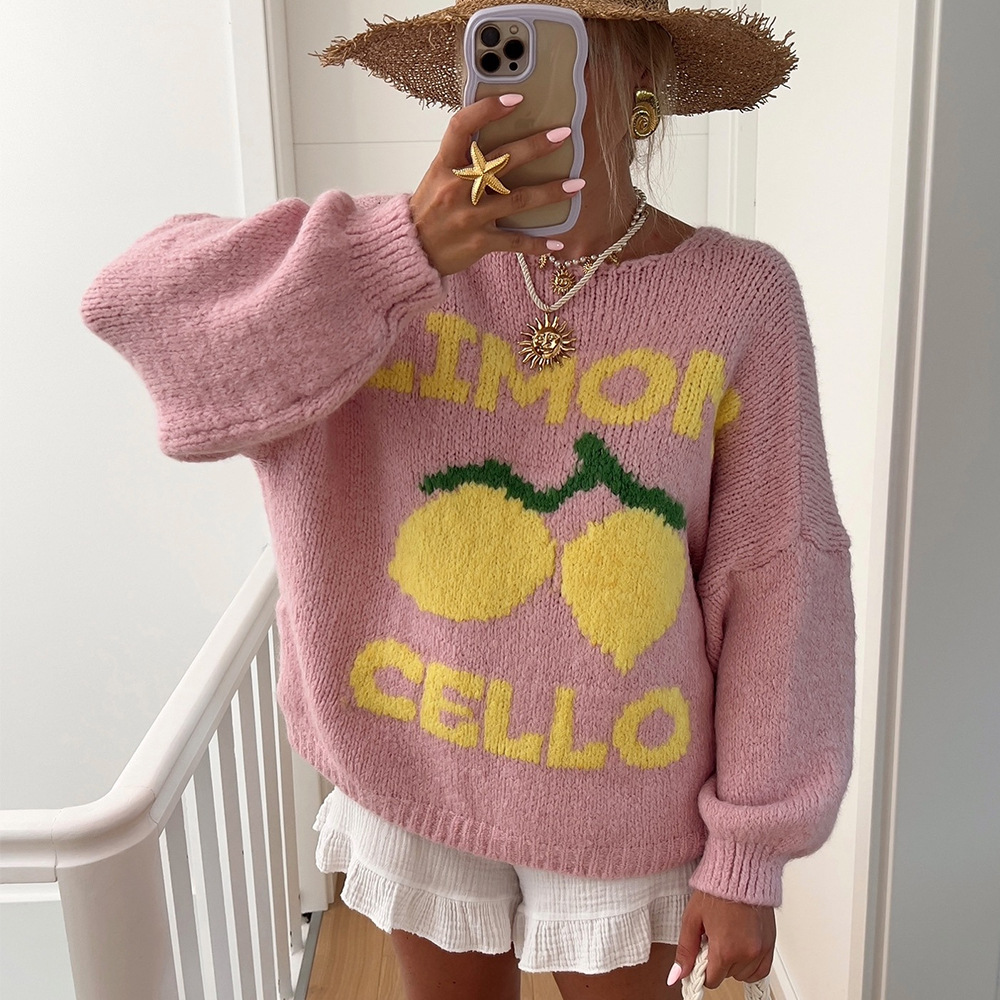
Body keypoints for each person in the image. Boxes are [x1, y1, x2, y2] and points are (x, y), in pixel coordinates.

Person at [79, 2, 856, 997]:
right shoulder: (381, 263)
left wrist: (749, 847)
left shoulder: (739, 296)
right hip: (414, 768)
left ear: (642, 74)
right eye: (498, 46)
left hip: (627, 797)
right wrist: (397, 252)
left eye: (563, 42)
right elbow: (139, 308)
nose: (521, 87)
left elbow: (779, 573)